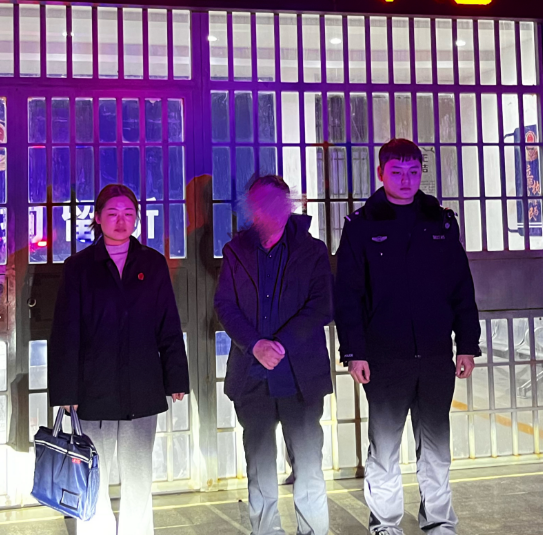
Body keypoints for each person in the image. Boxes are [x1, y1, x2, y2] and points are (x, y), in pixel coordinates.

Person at [334, 139, 481, 535]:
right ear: (381, 173)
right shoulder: (362, 226)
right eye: (397, 172)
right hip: (385, 358)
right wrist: (354, 352)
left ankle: (439, 522)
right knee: (384, 449)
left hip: (434, 356)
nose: (406, 180)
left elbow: (461, 288)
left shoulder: (440, 221)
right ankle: (385, 524)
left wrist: (467, 344)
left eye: (414, 172)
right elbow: (347, 296)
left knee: (436, 448)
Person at [48, 183, 190, 535]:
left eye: (128, 213)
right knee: (92, 471)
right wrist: (66, 391)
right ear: (97, 218)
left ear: (137, 219)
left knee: (139, 473)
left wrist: (176, 377)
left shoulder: (152, 263)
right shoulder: (79, 267)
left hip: (142, 383)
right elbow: (65, 332)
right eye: (112, 213)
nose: (121, 220)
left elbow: (168, 323)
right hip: (93, 387)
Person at [214, 175, 333, 535]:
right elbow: (225, 305)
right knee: (260, 467)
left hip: (300, 374)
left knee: (308, 466)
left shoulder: (313, 250)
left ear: (289, 205)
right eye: (260, 204)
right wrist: (255, 345)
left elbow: (322, 305)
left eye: (275, 202)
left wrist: (280, 344)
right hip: (252, 375)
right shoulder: (236, 251)